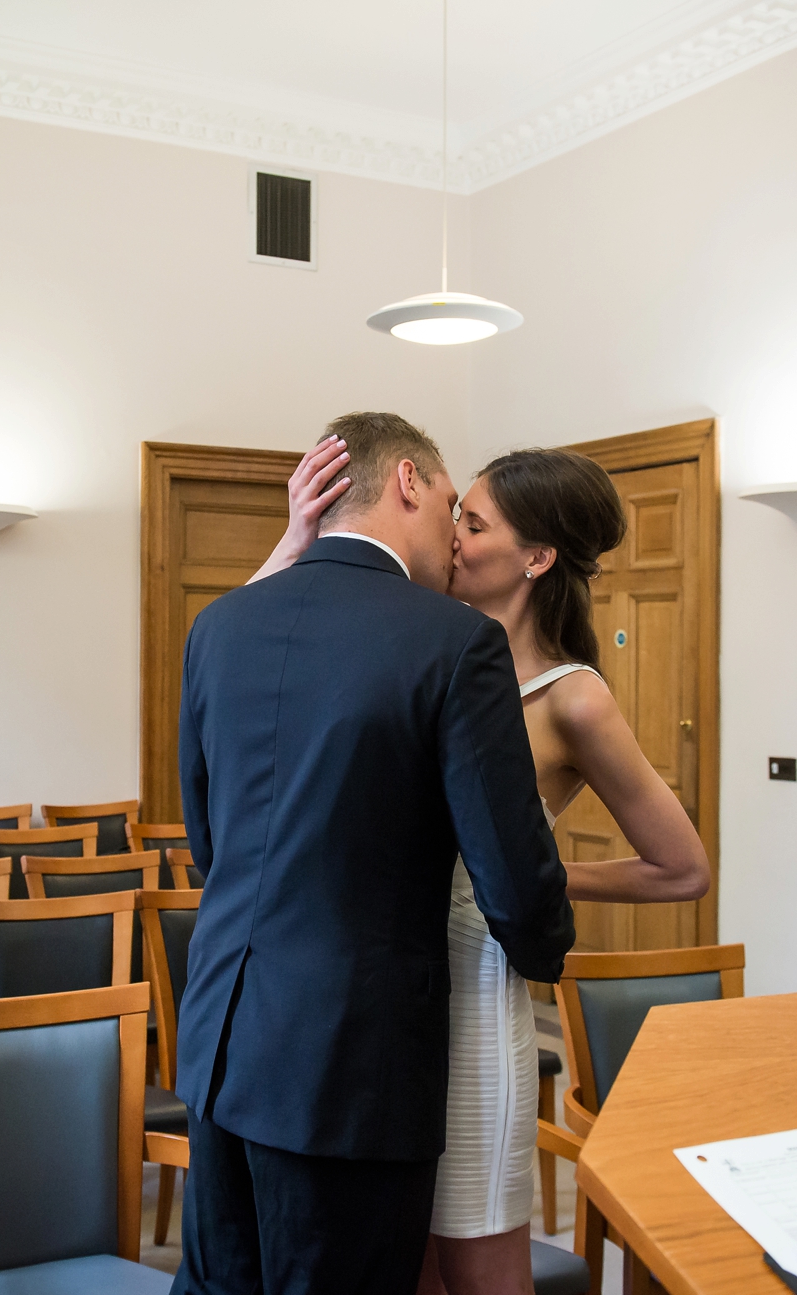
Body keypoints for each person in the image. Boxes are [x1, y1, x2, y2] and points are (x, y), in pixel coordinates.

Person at [259, 440, 711, 1294]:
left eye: (474, 521)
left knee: (482, 1268)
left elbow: (681, 867)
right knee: (406, 1265)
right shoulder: (425, 648)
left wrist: (542, 876)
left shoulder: (573, 696)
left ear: (536, 557)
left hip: (471, 991)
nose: (453, 536)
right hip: (385, 1010)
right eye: (455, 514)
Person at [172, 412, 578, 1295]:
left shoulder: (220, 625)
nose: (453, 539)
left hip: (221, 1043)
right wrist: (547, 945)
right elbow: (510, 875)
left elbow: (210, 843)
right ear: (405, 482)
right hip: (350, 1066)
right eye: (447, 503)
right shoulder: (453, 641)